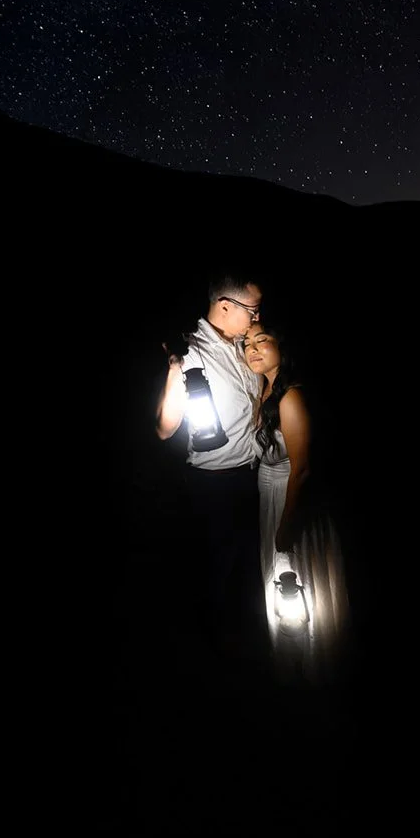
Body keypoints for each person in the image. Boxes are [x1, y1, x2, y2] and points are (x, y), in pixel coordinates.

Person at [156, 275, 266, 653]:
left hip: (254, 474)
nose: (256, 317)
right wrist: (174, 372)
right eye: (251, 310)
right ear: (224, 306)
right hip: (214, 481)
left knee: (249, 559)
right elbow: (166, 429)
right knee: (217, 564)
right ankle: (213, 643)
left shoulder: (243, 346)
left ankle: (248, 633)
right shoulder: (193, 352)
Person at [244, 320, 351, 681]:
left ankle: (315, 665)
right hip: (271, 495)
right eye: (247, 344)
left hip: (291, 498)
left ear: (283, 347)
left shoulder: (291, 396)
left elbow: (301, 469)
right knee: (282, 581)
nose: (253, 348)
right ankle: (292, 661)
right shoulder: (265, 392)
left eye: (262, 340)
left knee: (298, 576)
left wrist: (287, 526)